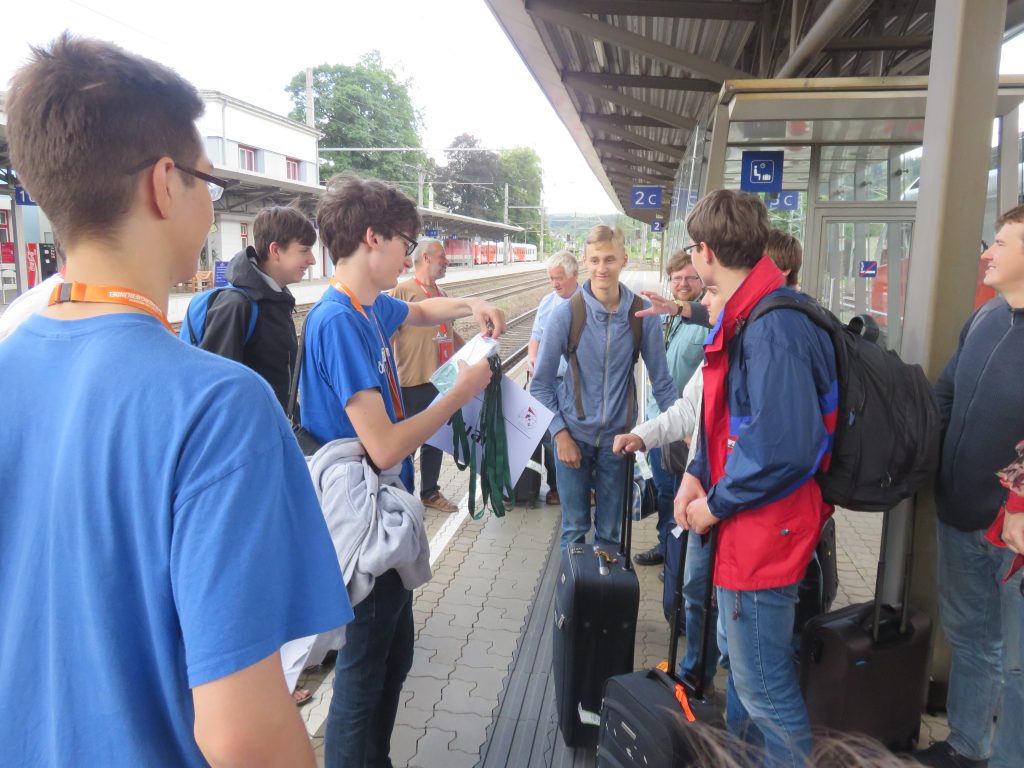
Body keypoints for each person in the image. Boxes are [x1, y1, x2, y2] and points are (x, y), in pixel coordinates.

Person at [0, 34, 351, 767]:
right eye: (207, 182)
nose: (210, 199)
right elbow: (243, 735)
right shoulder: (219, 409)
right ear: (165, 183)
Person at [300, 174, 504, 768]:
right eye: (404, 243)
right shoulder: (338, 320)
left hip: (379, 508)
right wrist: (459, 392)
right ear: (372, 238)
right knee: (364, 673)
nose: (409, 256)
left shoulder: (367, 306)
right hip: (359, 514)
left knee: (394, 655)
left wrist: (468, 303)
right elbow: (385, 447)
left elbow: (418, 310)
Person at [676, 191, 837, 768]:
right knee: (744, 675)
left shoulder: (773, 327)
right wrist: (696, 474)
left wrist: (715, 503)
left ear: (706, 250)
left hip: (765, 533)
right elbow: (732, 423)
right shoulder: (756, 309)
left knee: (767, 691)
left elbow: (783, 447)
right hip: (752, 528)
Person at [916, 206, 1024, 768]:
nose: (988, 252)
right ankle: (967, 746)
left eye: (1002, 243)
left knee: (1019, 667)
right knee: (972, 641)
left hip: (1016, 538)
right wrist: (926, 457)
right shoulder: (985, 319)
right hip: (961, 516)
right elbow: (947, 391)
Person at [531, 225, 677, 553]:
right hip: (573, 437)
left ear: (624, 260)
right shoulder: (566, 314)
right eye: (595, 260)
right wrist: (559, 435)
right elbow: (540, 386)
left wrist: (686, 428)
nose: (602, 268)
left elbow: (662, 382)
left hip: (618, 442)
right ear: (585, 261)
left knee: (611, 535)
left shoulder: (641, 314)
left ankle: (604, 602)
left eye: (609, 259)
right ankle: (573, 604)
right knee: (574, 530)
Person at [631, 249, 709, 568]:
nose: (683, 283)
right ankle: (667, 547)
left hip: (687, 427)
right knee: (664, 490)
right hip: (658, 419)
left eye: (690, 277)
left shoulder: (707, 315)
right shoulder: (665, 317)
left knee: (683, 493)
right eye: (676, 278)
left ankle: (681, 561)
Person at [197, 205, 317, 411]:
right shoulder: (236, 305)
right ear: (275, 250)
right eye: (304, 250)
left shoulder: (278, 298)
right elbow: (217, 391)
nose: (312, 260)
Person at [391, 237, 465, 513]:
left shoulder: (441, 294)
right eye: (442, 257)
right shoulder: (403, 291)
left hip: (441, 379)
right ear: (426, 259)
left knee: (436, 439)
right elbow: (387, 333)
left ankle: (430, 492)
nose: (446, 261)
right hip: (412, 379)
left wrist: (470, 349)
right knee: (409, 441)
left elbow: (448, 329)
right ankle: (401, 493)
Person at [526, 249, 580, 505]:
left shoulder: (587, 301)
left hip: (576, 384)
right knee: (550, 434)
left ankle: (580, 486)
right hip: (549, 382)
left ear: (574, 275)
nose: (555, 283)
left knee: (575, 433)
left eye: (559, 277)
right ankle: (556, 486)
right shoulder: (548, 302)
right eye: (551, 278)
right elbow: (535, 337)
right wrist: (532, 359)